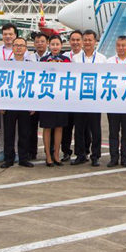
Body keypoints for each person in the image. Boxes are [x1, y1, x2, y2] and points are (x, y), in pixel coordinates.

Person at [72, 29, 106, 166]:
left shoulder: (101, 59)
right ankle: (81, 154)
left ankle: (95, 155)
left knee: (95, 129)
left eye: (89, 40)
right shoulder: (75, 59)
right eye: (84, 40)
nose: (87, 42)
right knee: (79, 129)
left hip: (94, 99)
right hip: (79, 98)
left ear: (95, 42)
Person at [1, 37, 36, 168]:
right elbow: (2, 85)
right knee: (8, 133)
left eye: (22, 45)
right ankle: (8, 158)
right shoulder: (6, 63)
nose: (19, 48)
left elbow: (34, 85)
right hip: (10, 103)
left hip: (25, 104)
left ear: (26, 48)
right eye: (16, 45)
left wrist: (33, 104)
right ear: (13, 47)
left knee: (25, 133)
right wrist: (1, 104)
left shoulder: (31, 64)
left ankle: (23, 158)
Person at [40, 35, 70, 166]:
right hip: (47, 97)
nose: (55, 47)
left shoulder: (66, 60)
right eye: (52, 44)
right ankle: (48, 155)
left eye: (57, 44)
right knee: (47, 128)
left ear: (61, 46)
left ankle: (57, 154)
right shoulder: (43, 60)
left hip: (61, 98)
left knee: (59, 127)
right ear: (49, 45)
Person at [106, 36, 126, 167]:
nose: (121, 48)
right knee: (113, 132)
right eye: (118, 45)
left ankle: (125, 157)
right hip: (113, 103)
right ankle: (113, 157)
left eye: (123, 45)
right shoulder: (109, 62)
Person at [0, 23, 18, 163]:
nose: (8, 37)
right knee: (1, 126)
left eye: (11, 34)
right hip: (0, 92)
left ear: (15, 35)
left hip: (15, 92)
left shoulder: (22, 51)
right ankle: (2, 150)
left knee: (16, 126)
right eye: (5, 34)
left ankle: (15, 150)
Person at [60, 29, 84, 162]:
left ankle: (83, 151)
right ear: (69, 41)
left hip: (81, 98)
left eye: (78, 40)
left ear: (81, 42)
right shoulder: (63, 57)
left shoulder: (86, 57)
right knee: (66, 128)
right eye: (73, 40)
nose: (75, 43)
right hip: (67, 98)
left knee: (82, 128)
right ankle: (66, 151)